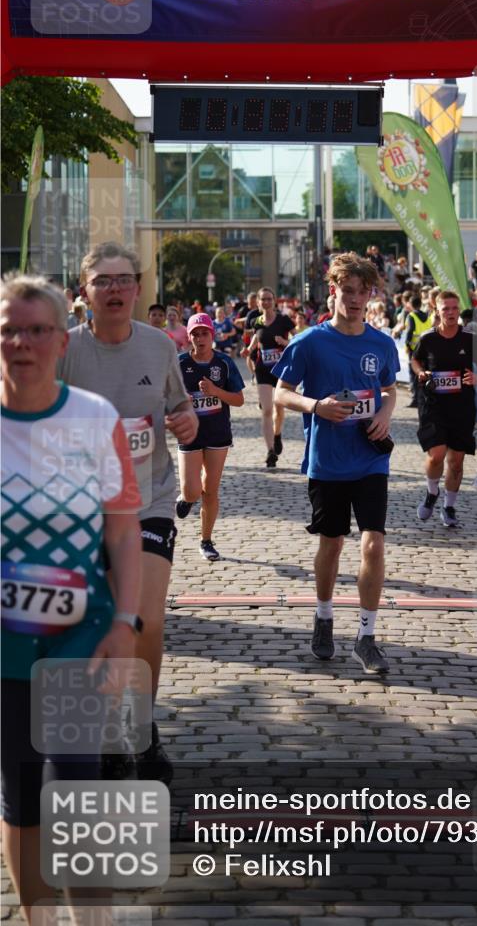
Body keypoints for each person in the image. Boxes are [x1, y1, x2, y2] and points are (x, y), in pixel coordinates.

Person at [1, 274, 142, 923]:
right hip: (3, 650)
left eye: (35, 330)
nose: (20, 342)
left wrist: (124, 620)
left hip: (78, 642)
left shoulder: (93, 418)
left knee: (77, 790)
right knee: (23, 799)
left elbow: (121, 527)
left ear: (61, 340)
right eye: (8, 329)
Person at [59, 242, 198, 783]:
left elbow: (180, 406)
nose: (115, 289)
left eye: (124, 280)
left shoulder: (160, 345)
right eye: (103, 281)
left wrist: (185, 422)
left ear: (138, 289)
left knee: (147, 617)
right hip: (82, 508)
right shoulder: (65, 351)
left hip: (149, 498)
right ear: (85, 291)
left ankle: (139, 728)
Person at [273, 253, 399, 676]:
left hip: (369, 460)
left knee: (373, 543)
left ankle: (366, 638)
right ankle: (324, 617)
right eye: (348, 291)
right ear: (334, 291)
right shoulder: (309, 341)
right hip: (326, 461)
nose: (356, 299)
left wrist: (384, 415)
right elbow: (280, 393)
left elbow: (389, 389)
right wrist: (316, 406)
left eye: (364, 292)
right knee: (332, 543)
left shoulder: (381, 343)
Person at [412, 291, 477, 527]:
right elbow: (415, 360)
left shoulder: (470, 339)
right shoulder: (428, 339)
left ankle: (449, 506)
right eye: (445, 308)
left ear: (459, 311)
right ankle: (431, 492)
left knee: (456, 462)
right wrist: (420, 373)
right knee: (436, 455)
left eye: (454, 308)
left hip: (462, 407)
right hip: (433, 404)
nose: (450, 313)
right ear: (437, 311)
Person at [175, 313, 245, 561]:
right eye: (195, 333)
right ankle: (186, 498)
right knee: (193, 491)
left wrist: (216, 391)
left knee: (210, 490)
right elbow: (166, 396)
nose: (200, 338)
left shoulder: (224, 363)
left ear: (212, 336)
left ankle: (206, 540)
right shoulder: (180, 363)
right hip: (189, 433)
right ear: (189, 337)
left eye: (205, 333)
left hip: (217, 433)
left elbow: (238, 400)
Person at [245, 287, 294, 468]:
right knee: (266, 409)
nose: (266, 302)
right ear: (258, 303)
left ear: (274, 301)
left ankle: (277, 433)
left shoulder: (284, 320)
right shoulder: (256, 321)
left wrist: (285, 342)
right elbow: (256, 339)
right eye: (262, 299)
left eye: (268, 299)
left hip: (281, 369)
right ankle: (270, 450)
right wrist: (249, 350)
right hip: (263, 369)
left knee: (278, 409)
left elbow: (298, 341)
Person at [404, 293, 433, 408]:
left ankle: (415, 399)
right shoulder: (427, 315)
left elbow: (410, 332)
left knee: (414, 374)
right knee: (423, 373)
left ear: (411, 304)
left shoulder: (411, 316)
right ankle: (425, 397)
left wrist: (408, 345)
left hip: (414, 349)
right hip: (426, 349)